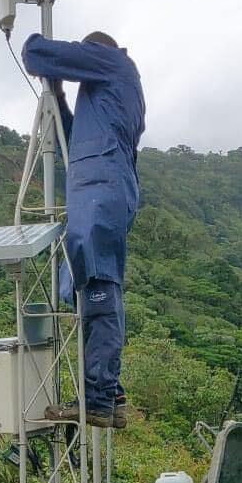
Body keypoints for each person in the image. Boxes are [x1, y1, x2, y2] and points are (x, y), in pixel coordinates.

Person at [21, 30, 145, 429]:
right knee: (72, 284)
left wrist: (35, 42)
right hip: (92, 192)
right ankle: (111, 388)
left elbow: (38, 53)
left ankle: (99, 397)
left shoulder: (113, 63)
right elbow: (76, 141)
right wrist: (58, 98)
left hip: (101, 191)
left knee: (97, 283)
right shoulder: (105, 94)